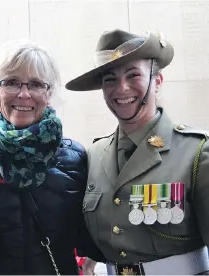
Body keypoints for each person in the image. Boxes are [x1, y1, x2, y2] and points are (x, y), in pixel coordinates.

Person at [0, 40, 105, 275]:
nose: (24, 94)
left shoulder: (75, 157)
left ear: (49, 93)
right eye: (11, 82)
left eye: (35, 84)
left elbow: (89, 237)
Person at [65, 29, 209, 275]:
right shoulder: (94, 155)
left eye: (133, 75)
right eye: (110, 79)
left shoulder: (197, 153)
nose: (122, 88)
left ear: (158, 81)